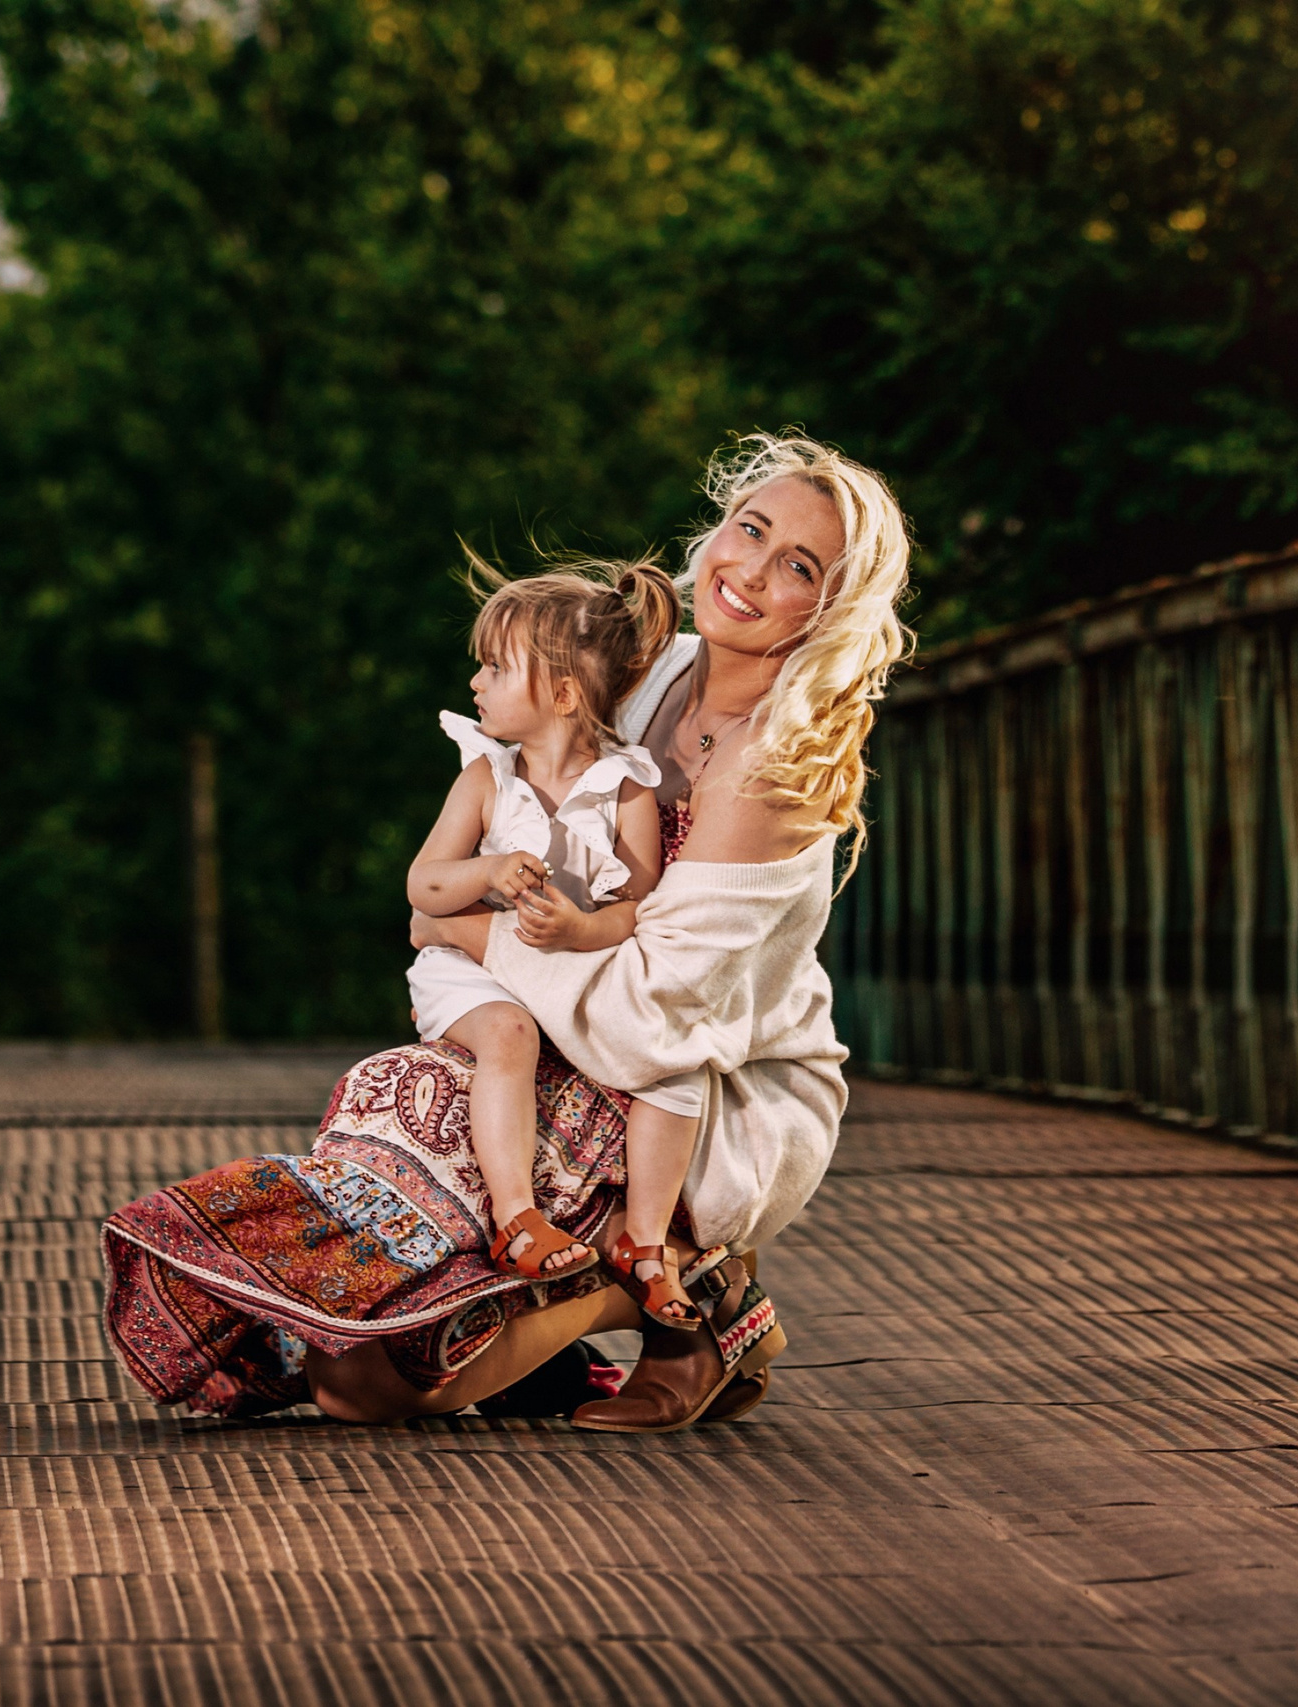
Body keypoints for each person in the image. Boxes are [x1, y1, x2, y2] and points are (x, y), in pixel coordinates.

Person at [98, 433, 912, 1432]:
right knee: (402, 1138)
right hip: (568, 1038)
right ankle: (524, 1318)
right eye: (750, 529)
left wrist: (471, 935)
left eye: (797, 567)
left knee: (375, 1390)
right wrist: (469, 899)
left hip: (703, 1091)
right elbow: (507, 813)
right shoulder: (651, 671)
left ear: (829, 613)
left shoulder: (771, 766)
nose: (747, 569)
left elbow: (658, 1019)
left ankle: (696, 1286)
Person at [403, 559, 709, 1326]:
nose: (475, 680)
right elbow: (424, 889)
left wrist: (581, 928)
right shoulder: (486, 777)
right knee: (507, 1035)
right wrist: (489, 867)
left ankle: (645, 1244)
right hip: (474, 973)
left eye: (496, 666)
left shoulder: (627, 788)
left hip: (568, 966)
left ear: (564, 694)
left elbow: (634, 907)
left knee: (677, 1063)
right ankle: (517, 1218)